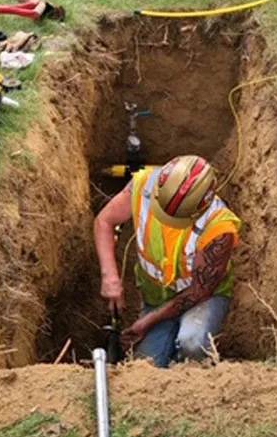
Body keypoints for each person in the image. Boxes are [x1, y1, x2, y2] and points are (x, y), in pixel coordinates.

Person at [94, 155, 242, 368]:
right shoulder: (143, 185)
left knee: (192, 343)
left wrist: (147, 322)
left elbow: (199, 291)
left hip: (202, 298)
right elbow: (105, 221)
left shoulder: (219, 228)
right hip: (156, 297)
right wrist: (109, 276)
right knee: (145, 367)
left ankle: (197, 383)